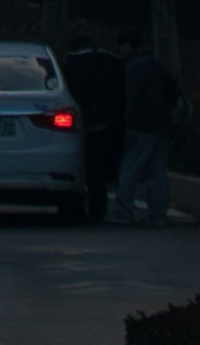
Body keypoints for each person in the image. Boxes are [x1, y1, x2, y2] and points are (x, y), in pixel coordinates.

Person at [113, 37, 181, 227]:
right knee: (158, 171)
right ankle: (158, 215)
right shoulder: (156, 66)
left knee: (130, 168)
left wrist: (130, 127)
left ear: (127, 46)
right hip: (162, 123)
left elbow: (133, 100)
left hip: (142, 125)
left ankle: (124, 211)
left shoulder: (134, 68)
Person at [60, 31, 127, 223]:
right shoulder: (111, 62)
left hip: (80, 122)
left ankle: (80, 207)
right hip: (107, 122)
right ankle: (99, 208)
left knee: (81, 167)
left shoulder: (70, 65)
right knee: (99, 170)